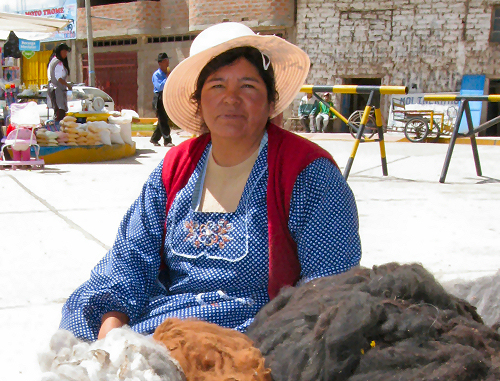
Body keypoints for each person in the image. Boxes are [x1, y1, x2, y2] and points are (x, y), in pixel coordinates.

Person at [60, 22, 360, 341]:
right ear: (198, 100)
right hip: (167, 325)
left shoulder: (307, 172)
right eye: (217, 86)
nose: (230, 99)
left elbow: (326, 285)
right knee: (85, 304)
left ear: (271, 102)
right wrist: (112, 335)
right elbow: (131, 255)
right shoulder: (176, 166)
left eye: (248, 86)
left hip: (258, 335)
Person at [150, 53, 173, 147]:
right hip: (159, 97)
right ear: (160, 63)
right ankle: (167, 140)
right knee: (163, 119)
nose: (168, 62)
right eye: (165, 60)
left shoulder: (167, 72)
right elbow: (159, 87)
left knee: (163, 119)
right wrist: (167, 78)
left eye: (168, 60)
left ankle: (154, 138)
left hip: (166, 96)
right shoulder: (157, 75)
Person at [47, 43, 72, 122]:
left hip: (53, 89)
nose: (65, 54)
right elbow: (59, 78)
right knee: (60, 112)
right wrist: (68, 85)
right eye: (64, 52)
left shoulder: (53, 61)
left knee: (57, 111)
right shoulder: (58, 63)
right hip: (57, 91)